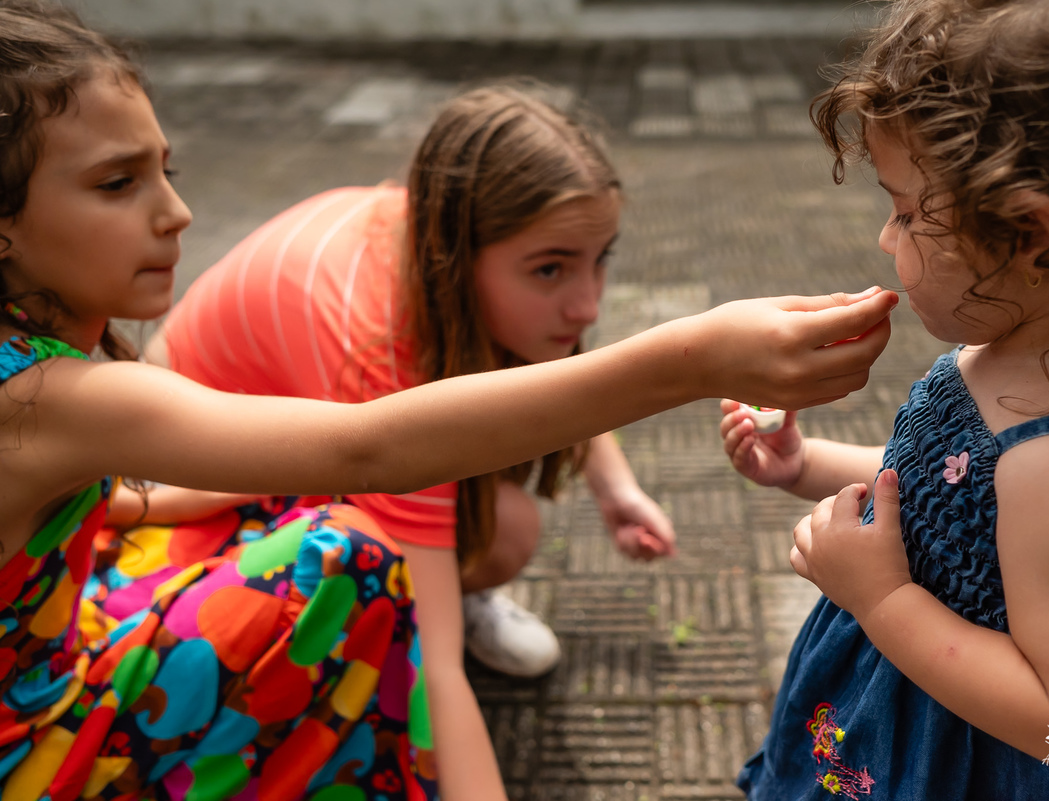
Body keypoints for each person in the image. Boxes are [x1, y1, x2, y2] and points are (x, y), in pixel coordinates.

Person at [0, 2, 897, 798]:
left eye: (167, 171)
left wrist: (616, 483)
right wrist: (690, 359)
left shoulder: (420, 235)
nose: (177, 213)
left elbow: (125, 492)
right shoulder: (55, 395)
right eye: (118, 183)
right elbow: (370, 450)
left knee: (462, 529)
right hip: (33, 744)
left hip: (72, 612)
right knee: (354, 557)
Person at [721, 0, 1049, 797]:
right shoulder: (1025, 345)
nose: (886, 237)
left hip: (966, 764)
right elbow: (954, 489)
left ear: (1030, 233)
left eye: (908, 211)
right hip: (900, 712)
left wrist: (882, 599)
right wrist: (802, 464)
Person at [135, 85, 680, 679]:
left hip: (259, 451)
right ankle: (369, 640)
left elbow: (550, 368)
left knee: (494, 518)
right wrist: (435, 659)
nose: (587, 306)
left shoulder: (432, 233)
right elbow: (440, 674)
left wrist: (615, 489)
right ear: (460, 251)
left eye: (600, 259)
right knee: (498, 532)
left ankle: (402, 605)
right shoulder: (377, 346)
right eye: (551, 269)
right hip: (173, 493)